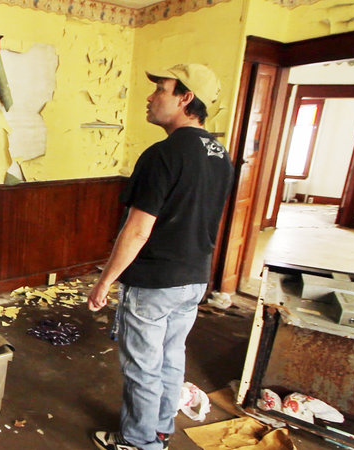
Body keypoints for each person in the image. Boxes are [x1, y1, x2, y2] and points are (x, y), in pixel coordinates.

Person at [88, 63, 234, 450]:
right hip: (194, 278)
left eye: (161, 90)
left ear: (186, 98)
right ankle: (161, 428)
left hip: (155, 281)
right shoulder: (221, 154)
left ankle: (138, 441)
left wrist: (105, 280)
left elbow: (137, 230)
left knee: (142, 366)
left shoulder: (163, 154)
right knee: (171, 358)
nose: (150, 98)